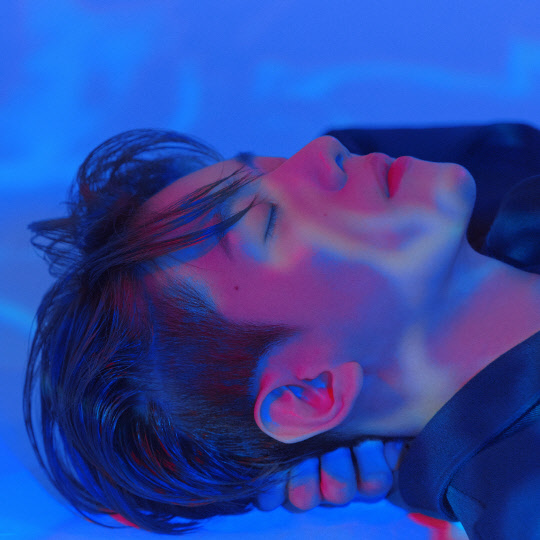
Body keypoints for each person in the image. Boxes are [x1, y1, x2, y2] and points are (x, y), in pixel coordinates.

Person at [24, 123, 540, 539]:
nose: (323, 151)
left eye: (271, 164)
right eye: (268, 222)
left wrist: (404, 467)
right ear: (310, 392)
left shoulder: (505, 187)